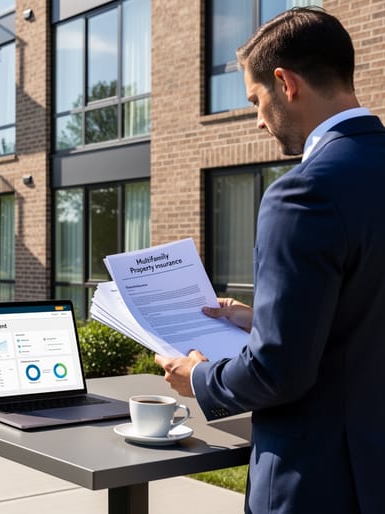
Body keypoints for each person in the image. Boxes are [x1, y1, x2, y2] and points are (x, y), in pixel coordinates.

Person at [155, 7, 385, 514]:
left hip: (321, 485)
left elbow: (278, 371)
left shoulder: (304, 193)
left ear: (285, 83)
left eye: (256, 100)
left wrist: (197, 377)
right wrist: (261, 317)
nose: (257, 120)